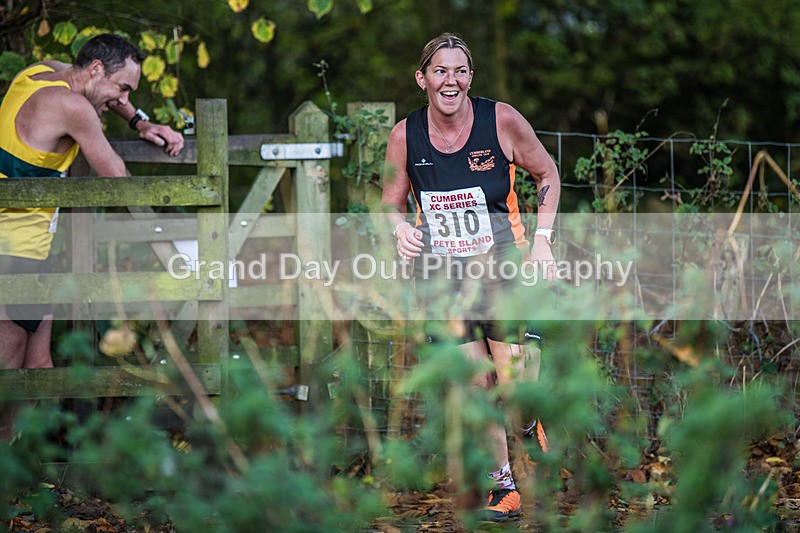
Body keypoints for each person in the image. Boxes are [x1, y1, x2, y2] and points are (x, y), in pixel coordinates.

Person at [381, 33, 560, 521]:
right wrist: (400, 231)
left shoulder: (499, 120)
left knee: (512, 384)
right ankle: (502, 486)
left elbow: (547, 174)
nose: (451, 80)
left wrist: (543, 236)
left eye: (460, 70)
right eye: (440, 71)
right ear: (422, 79)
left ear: (470, 77)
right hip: (441, 277)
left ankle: (527, 420)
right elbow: (391, 205)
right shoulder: (405, 135)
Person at [0, 33, 184, 439]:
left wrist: (140, 121)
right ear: (97, 69)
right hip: (12, 254)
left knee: (39, 369)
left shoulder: (40, 72)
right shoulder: (74, 107)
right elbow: (116, 179)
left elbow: (107, 93)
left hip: (32, 246)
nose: (120, 99)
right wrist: (171, 251)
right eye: (123, 89)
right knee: (7, 379)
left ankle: (14, 474)